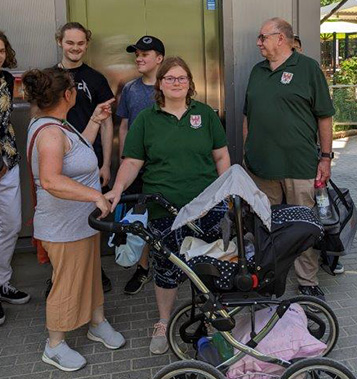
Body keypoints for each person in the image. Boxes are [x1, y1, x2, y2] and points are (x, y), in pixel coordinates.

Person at [105, 56, 230, 354]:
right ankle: (163, 321)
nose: (176, 83)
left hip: (206, 209)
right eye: (170, 78)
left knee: (210, 266)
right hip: (163, 210)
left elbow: (222, 156)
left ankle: (212, 319)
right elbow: (132, 161)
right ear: (160, 84)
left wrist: (227, 191)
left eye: (182, 78)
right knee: (166, 269)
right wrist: (118, 189)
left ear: (190, 83)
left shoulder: (206, 115)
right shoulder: (147, 119)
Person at [23, 67, 125, 371]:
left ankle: (97, 322)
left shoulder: (58, 125)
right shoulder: (50, 133)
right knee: (66, 284)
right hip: (62, 226)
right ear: (67, 95)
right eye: (73, 89)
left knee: (91, 275)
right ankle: (54, 345)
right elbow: (52, 180)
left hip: (82, 224)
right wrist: (95, 195)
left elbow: (76, 153)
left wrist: (94, 120)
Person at [242, 18, 335, 300]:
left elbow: (325, 116)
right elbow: (248, 115)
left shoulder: (307, 68)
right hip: (261, 168)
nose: (258, 42)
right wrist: (247, 150)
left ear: (281, 38)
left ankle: (307, 281)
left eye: (262, 37)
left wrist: (326, 157)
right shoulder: (257, 71)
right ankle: (268, 278)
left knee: (302, 227)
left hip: (299, 166)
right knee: (265, 226)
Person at [56, 22, 115, 294]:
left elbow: (106, 122)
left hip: (90, 162)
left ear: (86, 45)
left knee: (90, 216)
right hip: (56, 160)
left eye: (80, 43)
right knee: (60, 219)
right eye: (70, 43)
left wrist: (105, 164)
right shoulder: (49, 78)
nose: (75, 48)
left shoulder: (96, 79)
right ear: (60, 42)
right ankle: (59, 274)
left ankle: (94, 271)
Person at [115, 35, 165, 296]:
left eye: (145, 53)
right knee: (139, 218)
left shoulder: (170, 87)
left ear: (159, 59)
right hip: (136, 166)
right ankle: (144, 268)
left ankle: (171, 264)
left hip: (165, 166)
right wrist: (123, 158)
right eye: (137, 53)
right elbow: (123, 125)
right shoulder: (130, 89)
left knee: (167, 214)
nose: (139, 57)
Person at [0, 30, 28, 324]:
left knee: (11, 225)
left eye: (0, 50)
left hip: (7, 162)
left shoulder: (7, 80)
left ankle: (3, 282)